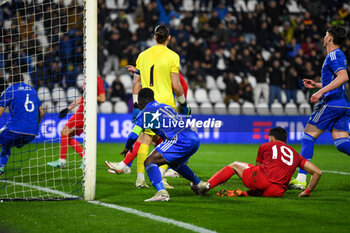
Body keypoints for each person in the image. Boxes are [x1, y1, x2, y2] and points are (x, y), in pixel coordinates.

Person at [105, 25, 190, 188]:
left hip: (149, 104)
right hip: (166, 104)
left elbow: (136, 83)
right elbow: (176, 85)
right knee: (170, 141)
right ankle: (162, 176)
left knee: (145, 139)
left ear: (154, 37)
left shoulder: (142, 55)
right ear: (169, 38)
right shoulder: (173, 56)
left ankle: (139, 179)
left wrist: (137, 106)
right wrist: (184, 103)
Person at [112, 88, 206, 201]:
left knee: (149, 162)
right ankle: (199, 184)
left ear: (141, 101)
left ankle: (162, 193)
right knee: (174, 163)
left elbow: (133, 135)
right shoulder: (165, 106)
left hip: (178, 139)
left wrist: (127, 147)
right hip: (193, 137)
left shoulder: (146, 112)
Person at [289, 26, 350, 189]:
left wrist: (320, 92)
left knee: (308, 137)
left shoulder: (334, 54)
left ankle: (301, 179)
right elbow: (336, 82)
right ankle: (301, 178)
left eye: (325, 34)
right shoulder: (336, 55)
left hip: (331, 103)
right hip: (343, 105)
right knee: (342, 143)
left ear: (329, 38)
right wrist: (317, 84)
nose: (324, 37)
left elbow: (344, 77)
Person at [194, 127, 321, 198]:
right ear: (285, 140)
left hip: (261, 181)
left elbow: (257, 168)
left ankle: (206, 187)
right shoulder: (295, 154)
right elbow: (317, 172)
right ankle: (242, 193)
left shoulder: (266, 145)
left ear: (271, 138)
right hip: (277, 192)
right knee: (265, 184)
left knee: (235, 165)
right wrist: (307, 192)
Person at [47, 76, 105, 168]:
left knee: (64, 132)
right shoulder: (86, 78)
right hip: (80, 111)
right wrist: (68, 108)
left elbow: (102, 98)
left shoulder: (97, 79)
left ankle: (62, 161)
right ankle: (84, 159)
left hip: (85, 113)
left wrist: (90, 95)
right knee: (67, 136)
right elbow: (82, 98)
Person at [0, 71, 45, 175]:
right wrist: (35, 125)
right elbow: (42, 113)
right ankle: (1, 167)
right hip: (32, 133)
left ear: (10, 80)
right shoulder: (33, 91)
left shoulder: (9, 90)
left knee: (4, 141)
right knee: (6, 145)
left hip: (15, 130)